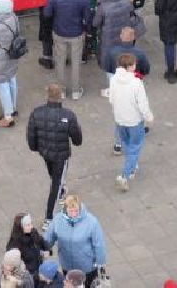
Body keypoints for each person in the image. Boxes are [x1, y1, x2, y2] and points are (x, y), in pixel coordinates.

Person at [25, 83, 82, 221]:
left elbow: (31, 135)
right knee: (56, 183)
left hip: (45, 152)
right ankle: (49, 217)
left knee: (53, 175)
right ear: (61, 96)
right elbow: (77, 139)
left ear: (47, 95)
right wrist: (76, 140)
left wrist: (35, 148)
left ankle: (60, 190)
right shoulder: (68, 115)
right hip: (61, 155)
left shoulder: (36, 113)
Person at [108, 52, 152, 191]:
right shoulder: (136, 83)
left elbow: (111, 99)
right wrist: (149, 117)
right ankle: (125, 175)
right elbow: (142, 104)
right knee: (135, 147)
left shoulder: (113, 79)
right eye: (134, 64)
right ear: (130, 66)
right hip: (134, 121)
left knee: (126, 143)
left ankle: (132, 166)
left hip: (120, 119)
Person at [44, 194, 106, 283]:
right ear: (66, 209)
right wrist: (44, 249)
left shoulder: (91, 222)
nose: (74, 214)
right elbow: (49, 237)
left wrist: (100, 263)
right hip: (67, 266)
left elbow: (99, 244)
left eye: (76, 211)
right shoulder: (58, 220)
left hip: (86, 268)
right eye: (71, 211)